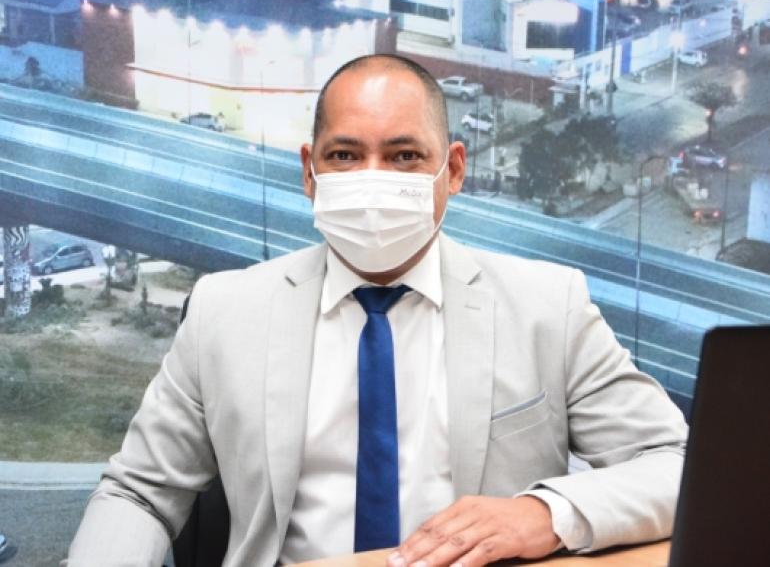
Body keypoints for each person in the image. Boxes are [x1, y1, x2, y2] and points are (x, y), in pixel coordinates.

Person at [65, 54, 687, 567]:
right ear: (309, 172)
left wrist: (544, 513)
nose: (372, 180)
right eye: (344, 156)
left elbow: (678, 465)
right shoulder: (224, 311)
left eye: (404, 156)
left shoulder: (548, 306)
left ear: (454, 170)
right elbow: (139, 493)